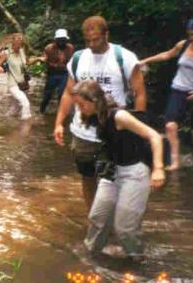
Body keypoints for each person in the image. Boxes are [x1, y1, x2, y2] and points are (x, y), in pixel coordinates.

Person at [54, 16, 146, 210]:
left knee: (116, 179)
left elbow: (139, 93)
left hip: (115, 131)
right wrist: (59, 123)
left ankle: (117, 217)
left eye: (96, 39)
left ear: (106, 35)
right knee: (87, 178)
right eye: (88, 41)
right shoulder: (78, 59)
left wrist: (138, 128)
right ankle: (94, 219)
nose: (92, 44)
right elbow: (68, 93)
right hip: (83, 132)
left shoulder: (125, 58)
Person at [70, 80, 165, 262]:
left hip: (134, 173)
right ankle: (89, 257)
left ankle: (138, 261)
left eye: (81, 105)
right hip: (112, 172)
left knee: (125, 228)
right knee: (98, 218)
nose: (79, 109)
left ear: (95, 100)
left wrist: (158, 168)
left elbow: (154, 136)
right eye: (77, 105)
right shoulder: (95, 116)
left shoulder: (119, 116)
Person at [138, 17, 193, 170]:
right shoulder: (183, 45)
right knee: (170, 125)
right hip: (178, 89)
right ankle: (175, 162)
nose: (192, 37)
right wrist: (145, 61)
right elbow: (167, 55)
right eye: (189, 34)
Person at [0, 33, 32, 120]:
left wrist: (38, 59)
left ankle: (6, 119)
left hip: (22, 83)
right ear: (13, 41)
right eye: (18, 40)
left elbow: (26, 63)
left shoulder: (22, 51)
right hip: (12, 84)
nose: (19, 43)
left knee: (16, 107)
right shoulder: (6, 53)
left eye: (21, 41)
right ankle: (26, 124)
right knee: (25, 103)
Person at [37, 28, 74, 113]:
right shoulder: (49, 48)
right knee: (47, 95)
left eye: (63, 39)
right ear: (56, 39)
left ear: (66, 39)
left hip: (64, 74)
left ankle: (61, 113)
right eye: (60, 39)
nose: (62, 41)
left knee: (61, 94)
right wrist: (41, 59)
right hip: (52, 74)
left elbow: (72, 61)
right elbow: (45, 57)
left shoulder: (70, 48)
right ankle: (41, 111)